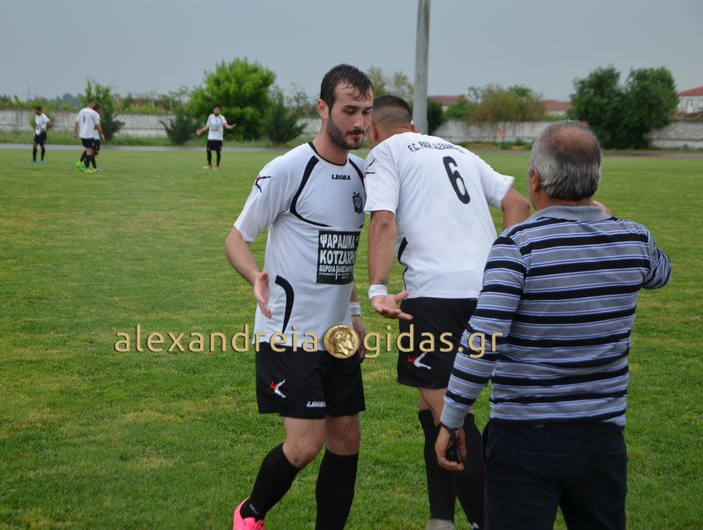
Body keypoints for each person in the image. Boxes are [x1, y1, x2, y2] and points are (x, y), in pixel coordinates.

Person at [436, 121, 672, 530]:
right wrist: (607, 219)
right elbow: (661, 273)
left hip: (524, 435)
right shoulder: (634, 240)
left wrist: (452, 417)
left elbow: (482, 341)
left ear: (535, 180)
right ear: (595, 180)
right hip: (602, 434)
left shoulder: (517, 245)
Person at [363, 95, 530, 530]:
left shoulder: (384, 152)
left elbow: (383, 220)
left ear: (374, 129)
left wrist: (378, 288)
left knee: (451, 418)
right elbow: (519, 205)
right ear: (413, 126)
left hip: (435, 300)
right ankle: (441, 518)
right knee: (431, 406)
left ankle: (486, 522)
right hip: (487, 297)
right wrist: (500, 266)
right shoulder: (459, 151)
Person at [224, 64, 373, 530]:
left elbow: (341, 256)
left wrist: (354, 312)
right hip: (289, 333)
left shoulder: (362, 174)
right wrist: (254, 275)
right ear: (323, 108)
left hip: (337, 336)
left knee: (346, 441)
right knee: (305, 445)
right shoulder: (289, 169)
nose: (360, 123)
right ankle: (250, 513)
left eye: (366, 112)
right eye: (350, 110)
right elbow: (236, 238)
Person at [73, 99, 105, 173]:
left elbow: (76, 122)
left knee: (89, 150)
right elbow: (98, 125)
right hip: (89, 135)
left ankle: (82, 164)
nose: (94, 105)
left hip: (82, 134)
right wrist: (101, 134)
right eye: (94, 104)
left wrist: (75, 133)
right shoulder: (93, 113)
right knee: (90, 151)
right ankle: (84, 166)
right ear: (92, 104)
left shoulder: (81, 111)